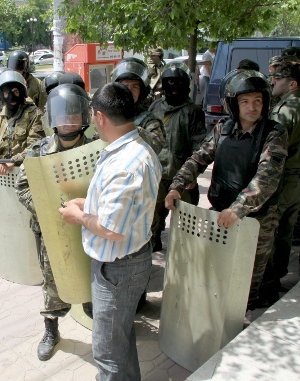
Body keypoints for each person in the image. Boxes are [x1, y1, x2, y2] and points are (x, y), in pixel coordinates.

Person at [59, 83, 161, 380]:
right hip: (125, 264)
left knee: (107, 353)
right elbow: (122, 207)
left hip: (117, 270)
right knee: (120, 341)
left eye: (92, 115)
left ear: (100, 117)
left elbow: (111, 229)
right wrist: (87, 202)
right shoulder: (134, 148)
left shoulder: (124, 164)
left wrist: (78, 216)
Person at [165, 70, 288, 310]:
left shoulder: (274, 133)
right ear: (234, 104)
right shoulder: (223, 129)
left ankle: (245, 317)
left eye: (257, 101)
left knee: (249, 276)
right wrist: (177, 186)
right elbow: (199, 158)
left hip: (257, 219)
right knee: (217, 268)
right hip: (221, 212)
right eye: (245, 102)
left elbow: (266, 177)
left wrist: (238, 209)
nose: (252, 108)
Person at [16, 84, 92, 361]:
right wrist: (48, 210)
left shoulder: (96, 148)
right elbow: (22, 186)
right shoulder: (39, 151)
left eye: (73, 114)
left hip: (89, 225)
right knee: (52, 279)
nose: (68, 119)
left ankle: (97, 318)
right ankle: (51, 329)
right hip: (51, 228)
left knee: (92, 273)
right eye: (62, 114)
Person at [148, 65, 207, 251]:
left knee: (186, 224)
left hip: (181, 178)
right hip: (156, 176)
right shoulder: (156, 107)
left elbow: (199, 146)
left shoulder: (192, 112)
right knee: (152, 221)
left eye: (178, 83)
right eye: (170, 82)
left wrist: (193, 175)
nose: (174, 87)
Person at [269, 61, 300, 283]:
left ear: (292, 84)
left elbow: (272, 149)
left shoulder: (285, 110)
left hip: (284, 178)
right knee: (287, 231)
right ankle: (277, 275)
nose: (273, 82)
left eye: (278, 79)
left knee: (272, 231)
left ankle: (270, 280)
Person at [0, 70, 45, 175]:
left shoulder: (34, 115)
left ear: (22, 92)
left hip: (25, 174)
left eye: (15, 92)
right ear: (2, 95)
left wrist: (13, 161)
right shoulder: (0, 117)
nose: (11, 97)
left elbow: (35, 147)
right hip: (2, 176)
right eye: (7, 93)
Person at [111, 57, 166, 154]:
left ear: (141, 91)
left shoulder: (149, 121)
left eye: (135, 86)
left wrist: (130, 127)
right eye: (125, 86)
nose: (129, 90)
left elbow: (156, 146)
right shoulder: (108, 115)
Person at [200, 43, 217, 110]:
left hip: (208, 76)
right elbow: (206, 66)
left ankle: (205, 106)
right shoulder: (207, 55)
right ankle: (204, 107)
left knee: (208, 92)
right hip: (207, 76)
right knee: (207, 92)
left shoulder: (210, 54)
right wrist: (211, 76)